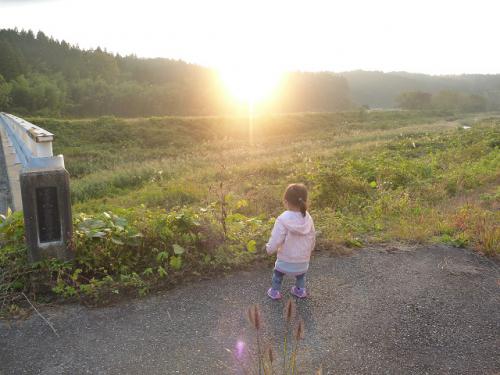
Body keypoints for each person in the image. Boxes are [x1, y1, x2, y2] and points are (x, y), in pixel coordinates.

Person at [265, 183, 316, 300]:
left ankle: (275, 291)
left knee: (277, 274)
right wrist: (310, 250)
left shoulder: (283, 219)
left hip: (285, 262)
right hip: (303, 263)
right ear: (305, 200)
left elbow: (276, 239)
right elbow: (312, 237)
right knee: (300, 276)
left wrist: (269, 249)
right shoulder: (307, 217)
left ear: (286, 201)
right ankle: (300, 290)